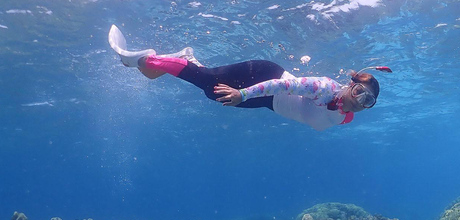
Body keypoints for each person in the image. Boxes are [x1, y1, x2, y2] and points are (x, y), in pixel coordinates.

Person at [108, 25, 390, 131]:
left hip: (268, 102)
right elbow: (284, 85)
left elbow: (333, 114)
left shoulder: (346, 116)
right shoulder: (325, 88)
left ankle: (187, 59)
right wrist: (243, 94)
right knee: (210, 84)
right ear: (350, 86)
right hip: (265, 76)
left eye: (368, 102)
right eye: (359, 93)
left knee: (212, 93)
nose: (360, 102)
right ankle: (142, 59)